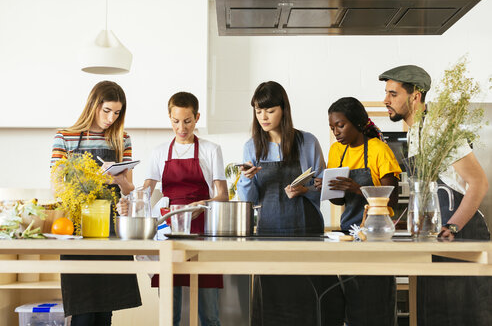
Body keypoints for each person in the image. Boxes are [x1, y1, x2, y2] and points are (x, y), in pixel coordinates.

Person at [379, 65, 491, 325]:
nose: (386, 100)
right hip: (439, 236)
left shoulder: (438, 129)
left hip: (461, 235)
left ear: (415, 96)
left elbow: (479, 183)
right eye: (386, 93)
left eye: (393, 94)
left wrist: (452, 226)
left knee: (462, 317)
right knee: (437, 314)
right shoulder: (416, 131)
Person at [237, 81, 345, 326]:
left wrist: (304, 189)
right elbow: (247, 201)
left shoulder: (307, 142)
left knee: (308, 297)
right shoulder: (252, 146)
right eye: (258, 111)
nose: (263, 116)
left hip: (306, 230)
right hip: (269, 233)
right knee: (273, 301)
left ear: (283, 109)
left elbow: (324, 189)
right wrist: (245, 180)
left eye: (270, 110)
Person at [118, 91, 228, 326]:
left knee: (209, 314)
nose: (181, 127)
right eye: (176, 121)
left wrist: (204, 203)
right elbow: (146, 194)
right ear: (169, 118)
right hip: (170, 233)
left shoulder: (211, 149)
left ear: (197, 117)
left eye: (187, 121)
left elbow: (223, 195)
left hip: (203, 233)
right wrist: (129, 198)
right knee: (170, 314)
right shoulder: (159, 152)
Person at [50, 81, 141, 325]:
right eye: (107, 110)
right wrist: (94, 177)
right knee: (83, 311)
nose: (112, 118)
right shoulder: (65, 137)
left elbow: (129, 190)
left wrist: (121, 180)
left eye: (117, 112)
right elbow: (57, 187)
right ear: (93, 105)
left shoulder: (122, 139)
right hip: (78, 231)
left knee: (104, 311)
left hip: (110, 231)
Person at [314, 97, 401, 325]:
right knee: (350, 303)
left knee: (373, 305)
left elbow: (391, 199)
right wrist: (328, 189)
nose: (336, 132)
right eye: (332, 128)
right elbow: (337, 202)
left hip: (376, 237)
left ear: (358, 123)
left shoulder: (379, 150)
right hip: (348, 234)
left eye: (340, 125)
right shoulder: (336, 151)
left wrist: (356, 188)